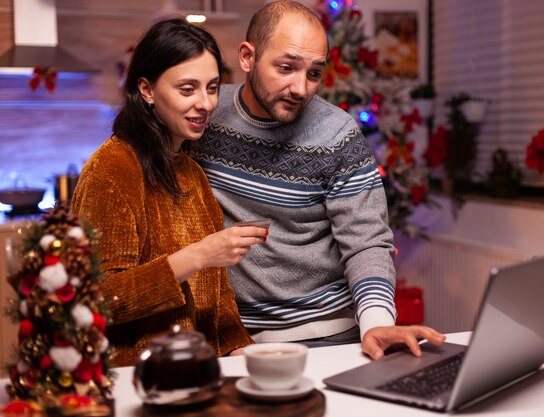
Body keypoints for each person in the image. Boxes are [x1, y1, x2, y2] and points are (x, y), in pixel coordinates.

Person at [189, 1, 444, 360]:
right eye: (286, 67)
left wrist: (376, 321)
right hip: (229, 338)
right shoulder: (205, 116)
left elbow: (367, 241)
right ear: (247, 57)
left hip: (328, 335)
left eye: (313, 73)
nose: (300, 88)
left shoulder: (338, 135)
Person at [71, 18, 267, 366]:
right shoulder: (111, 169)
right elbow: (97, 299)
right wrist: (199, 255)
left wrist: (247, 355)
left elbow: (219, 300)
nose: (206, 103)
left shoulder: (190, 171)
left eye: (211, 87)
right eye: (187, 89)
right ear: (146, 90)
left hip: (200, 373)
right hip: (137, 378)